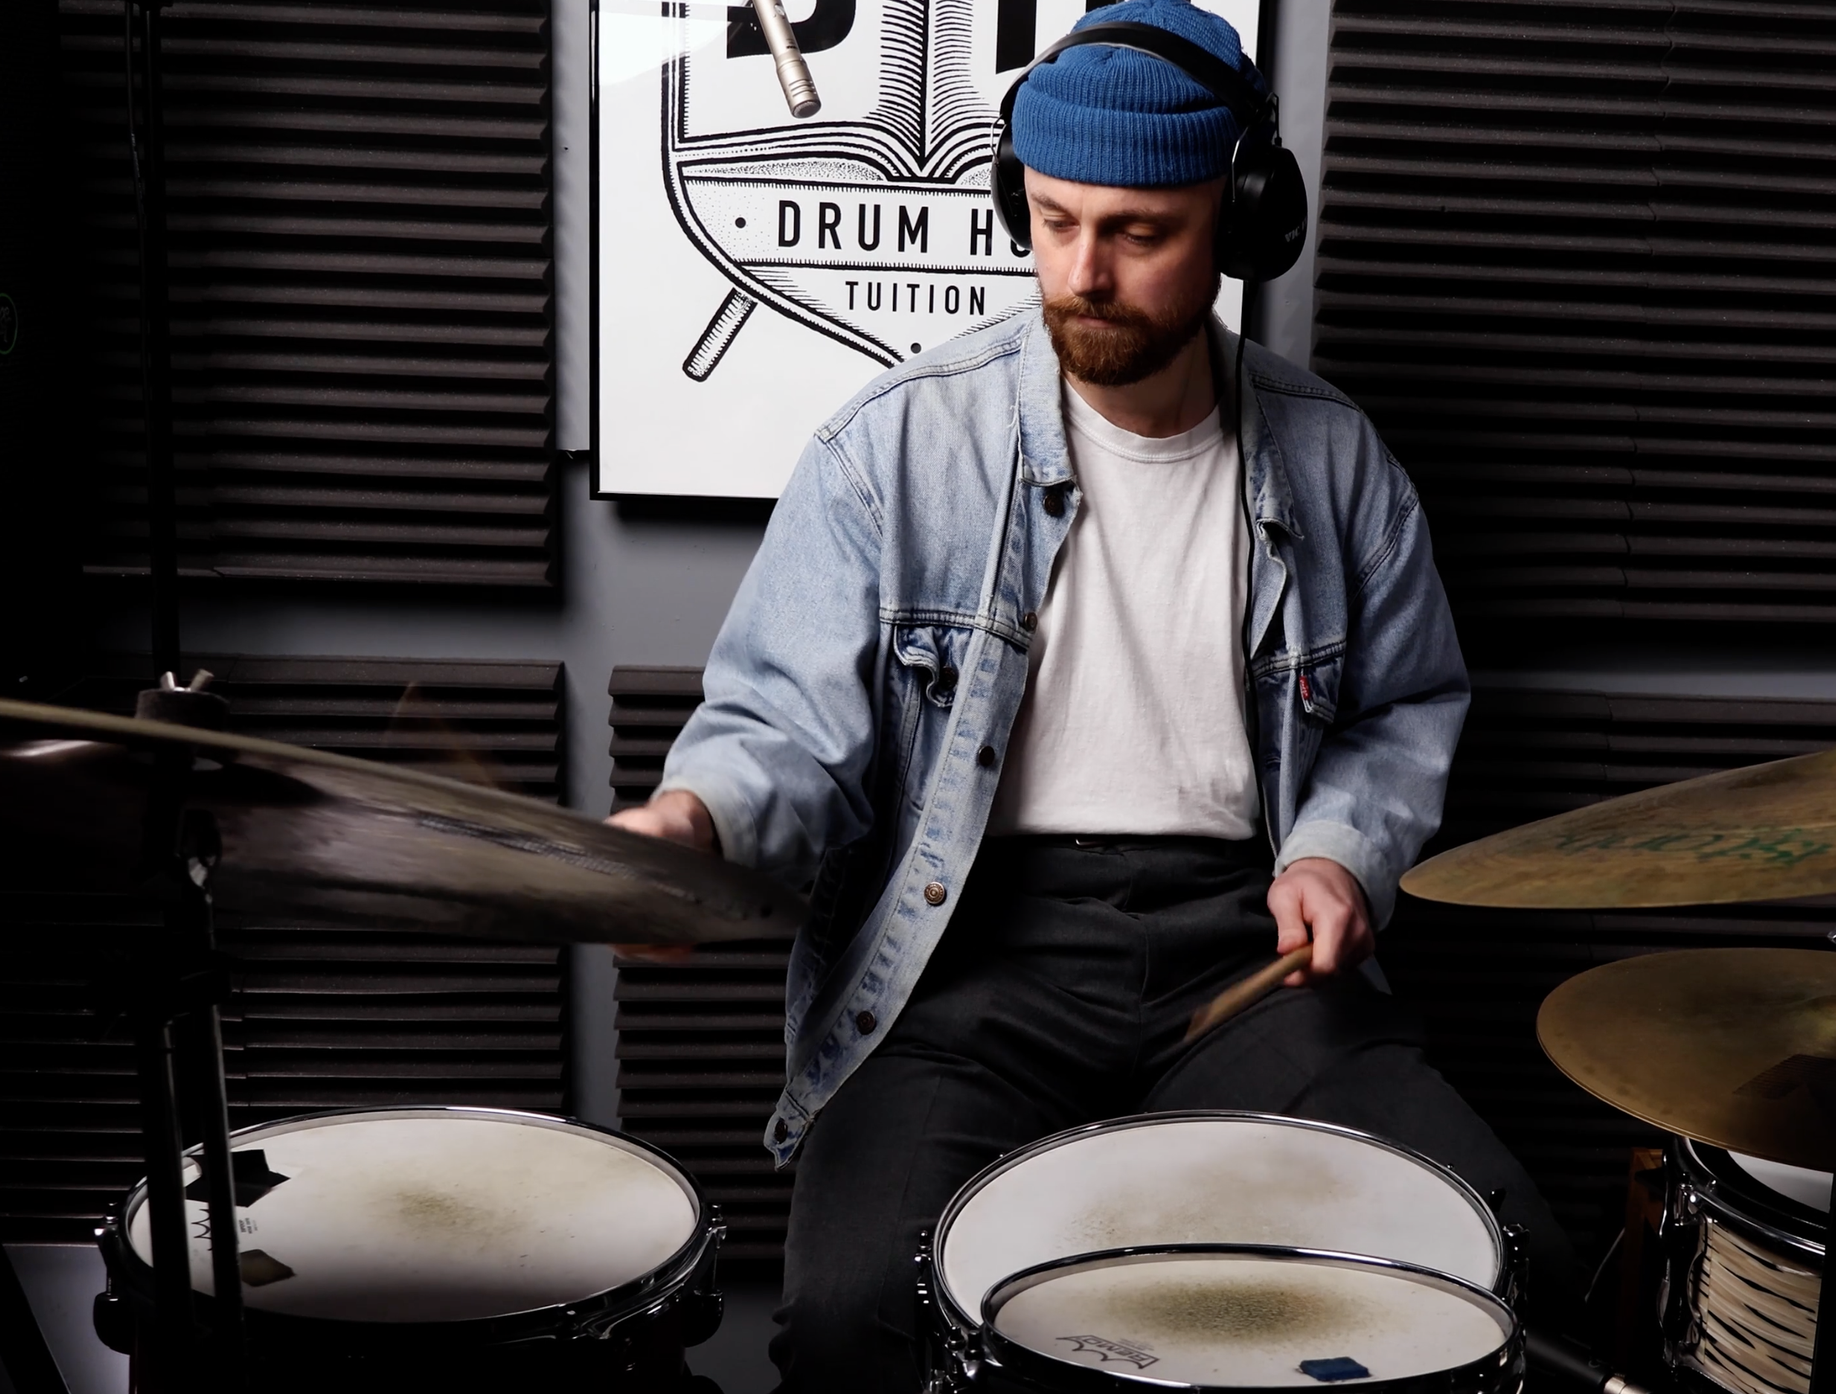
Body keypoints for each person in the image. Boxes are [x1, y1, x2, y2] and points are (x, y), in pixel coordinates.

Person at [608, 2, 1574, 1386]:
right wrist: (694, 829)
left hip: (1245, 954)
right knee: (852, 1322)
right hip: (966, 958)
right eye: (1053, 221)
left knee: (1512, 1266)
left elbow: (1401, 709)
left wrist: (1338, 850)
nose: (1083, 272)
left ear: (1239, 223)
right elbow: (785, 732)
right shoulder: (893, 449)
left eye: (1139, 232)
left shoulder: (1337, 460)